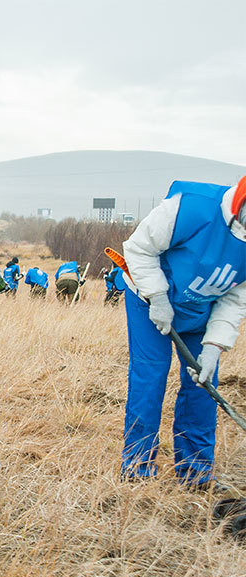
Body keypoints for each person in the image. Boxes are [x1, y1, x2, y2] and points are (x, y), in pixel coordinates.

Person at [120, 178, 246, 490]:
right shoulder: (192, 207)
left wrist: (214, 347)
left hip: (201, 311)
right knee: (150, 378)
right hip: (149, 301)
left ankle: (196, 473)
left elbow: (235, 297)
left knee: (203, 384)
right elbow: (138, 248)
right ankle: (137, 468)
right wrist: (158, 297)